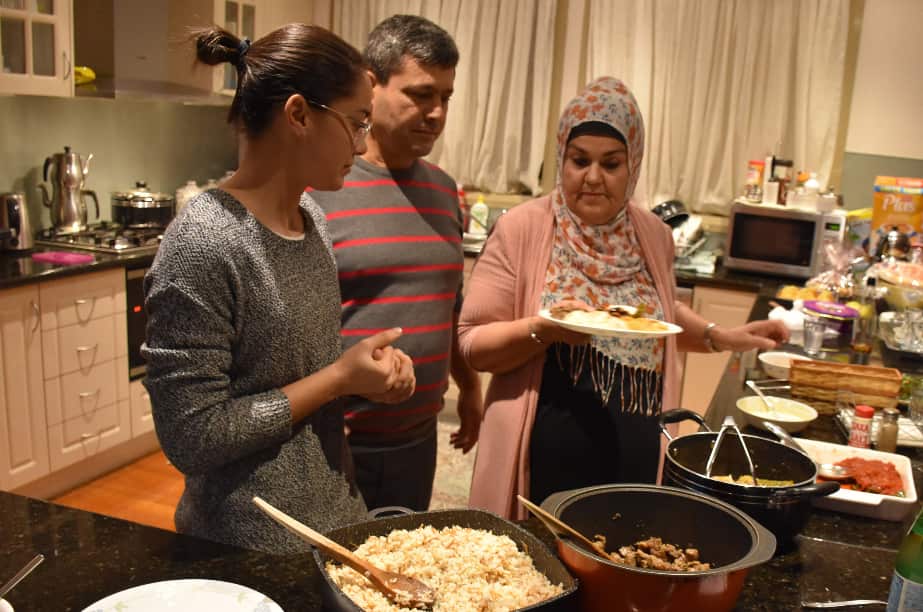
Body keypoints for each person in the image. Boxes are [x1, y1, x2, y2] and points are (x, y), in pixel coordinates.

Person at [457, 77, 789, 520]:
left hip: (635, 459)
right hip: (543, 463)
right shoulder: (521, 229)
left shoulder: (652, 234)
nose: (593, 178)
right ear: (561, 159)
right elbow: (473, 342)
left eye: (611, 163)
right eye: (580, 161)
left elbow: (650, 314)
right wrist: (543, 330)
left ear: (634, 165)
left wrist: (720, 336)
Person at [141, 24, 416, 553]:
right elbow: (191, 437)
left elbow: (292, 366)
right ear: (298, 115)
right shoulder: (204, 243)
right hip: (246, 545)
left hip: (333, 516)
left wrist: (365, 372)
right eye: (355, 123)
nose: (362, 145)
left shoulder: (310, 218)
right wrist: (337, 379)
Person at [311, 15, 483, 512]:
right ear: (372, 84)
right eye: (421, 94)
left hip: (417, 440)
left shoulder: (444, 191)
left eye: (446, 97)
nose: (437, 113)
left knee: (404, 555)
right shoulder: (322, 187)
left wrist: (469, 386)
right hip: (336, 441)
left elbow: (448, 304)